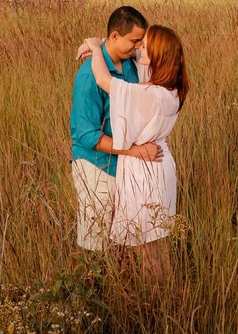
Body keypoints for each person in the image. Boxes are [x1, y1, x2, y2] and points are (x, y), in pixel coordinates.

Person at [79, 24, 188, 281]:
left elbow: (104, 80)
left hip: (145, 170)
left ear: (158, 56)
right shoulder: (170, 88)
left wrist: (96, 48)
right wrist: (108, 43)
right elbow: (136, 62)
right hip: (160, 165)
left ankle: (157, 304)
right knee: (158, 243)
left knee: (148, 250)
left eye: (146, 46)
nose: (139, 48)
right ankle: (166, 295)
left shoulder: (150, 94)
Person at [69, 6, 160, 252]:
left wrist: (96, 44)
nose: (138, 47)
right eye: (134, 41)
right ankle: (90, 287)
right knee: (94, 243)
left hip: (123, 166)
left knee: (121, 239)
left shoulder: (130, 63)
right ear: (116, 36)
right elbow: (86, 135)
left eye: (141, 41)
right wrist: (135, 151)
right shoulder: (89, 75)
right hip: (96, 166)